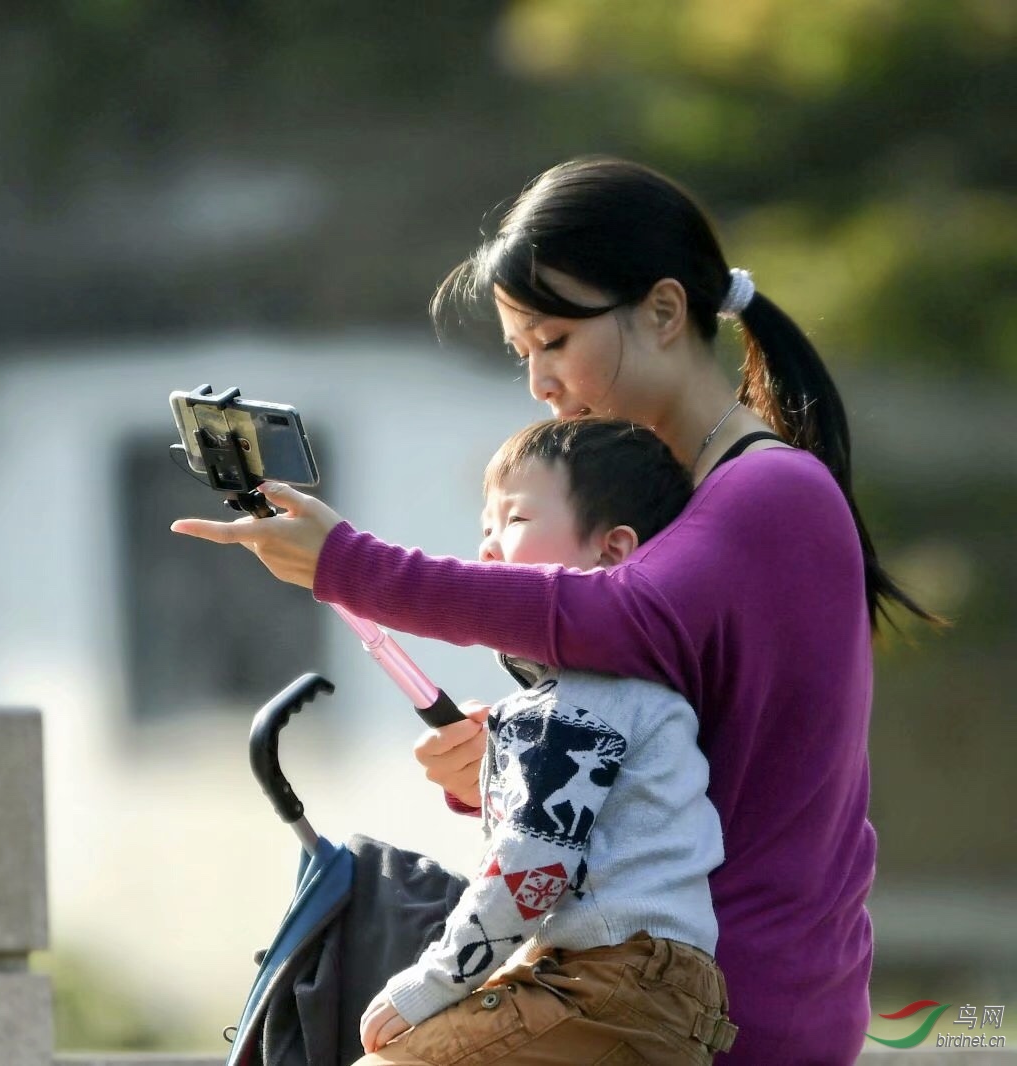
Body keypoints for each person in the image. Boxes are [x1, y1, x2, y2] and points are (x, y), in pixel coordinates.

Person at [171, 156, 941, 1065]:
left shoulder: (769, 491)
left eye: (555, 340)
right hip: (635, 992)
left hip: (717, 1006)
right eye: (522, 352)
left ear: (662, 312)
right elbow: (662, 748)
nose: (539, 380)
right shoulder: (675, 504)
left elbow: (610, 615)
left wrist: (350, 564)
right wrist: (513, 763)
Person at [355, 416, 734, 1064]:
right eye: (484, 529)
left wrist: (425, 988)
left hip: (606, 985)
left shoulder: (582, 696)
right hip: (651, 991)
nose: (489, 551)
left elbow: (533, 864)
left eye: (516, 521)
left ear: (613, 551)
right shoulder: (632, 689)